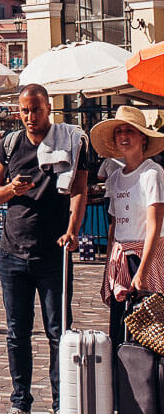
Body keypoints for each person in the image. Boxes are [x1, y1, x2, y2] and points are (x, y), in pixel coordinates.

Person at [0, 83, 88, 414]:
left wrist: (72, 230)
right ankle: (21, 402)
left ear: (49, 109)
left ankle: (63, 404)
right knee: (17, 333)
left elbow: (79, 190)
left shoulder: (72, 143)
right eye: (25, 110)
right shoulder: (10, 144)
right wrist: (11, 190)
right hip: (13, 254)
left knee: (59, 333)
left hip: (52, 256)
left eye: (37, 109)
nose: (30, 116)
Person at [91, 105, 164, 346]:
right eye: (119, 131)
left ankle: (149, 383)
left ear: (142, 137)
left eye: (130, 131)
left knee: (149, 332)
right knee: (119, 328)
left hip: (146, 257)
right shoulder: (115, 177)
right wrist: (106, 273)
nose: (124, 136)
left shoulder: (152, 173)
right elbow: (114, 225)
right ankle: (122, 382)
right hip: (120, 258)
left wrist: (143, 270)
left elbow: (155, 224)